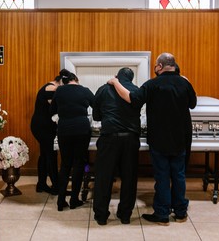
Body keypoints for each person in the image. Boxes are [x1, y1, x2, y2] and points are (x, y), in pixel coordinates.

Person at [108, 52, 197, 226]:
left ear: (160, 67)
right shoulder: (184, 83)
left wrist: (115, 82)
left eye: (156, 66)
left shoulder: (152, 84)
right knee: (179, 175)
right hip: (180, 138)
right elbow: (192, 104)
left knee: (162, 176)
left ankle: (162, 214)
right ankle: (180, 212)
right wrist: (186, 82)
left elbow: (132, 99)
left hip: (160, 138)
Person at [92, 67, 142, 226]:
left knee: (104, 177)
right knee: (129, 177)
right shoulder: (136, 90)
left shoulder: (104, 89)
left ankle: (101, 215)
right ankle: (125, 215)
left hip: (109, 138)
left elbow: (96, 115)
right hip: (131, 139)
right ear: (131, 78)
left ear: (117, 77)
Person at [50, 72, 94, 211]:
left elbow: (52, 110)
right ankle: (74, 200)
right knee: (79, 163)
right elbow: (97, 107)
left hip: (64, 129)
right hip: (82, 128)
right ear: (76, 80)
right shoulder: (85, 90)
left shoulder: (59, 91)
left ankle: (61, 201)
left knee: (65, 164)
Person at [30, 70, 69, 195]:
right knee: (51, 155)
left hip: (41, 125)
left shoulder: (51, 86)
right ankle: (56, 187)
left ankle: (41, 184)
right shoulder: (51, 88)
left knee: (45, 154)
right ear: (61, 82)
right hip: (43, 127)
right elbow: (58, 108)